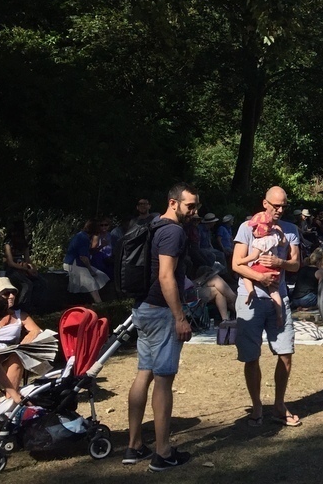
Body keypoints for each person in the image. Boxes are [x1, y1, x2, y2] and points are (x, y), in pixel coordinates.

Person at [124, 182, 197, 471]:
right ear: (173, 203)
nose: (194, 210)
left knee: (145, 372)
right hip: (161, 311)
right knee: (164, 379)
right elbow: (167, 276)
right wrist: (179, 316)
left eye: (196, 205)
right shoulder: (173, 232)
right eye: (190, 205)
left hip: (142, 308)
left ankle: (133, 446)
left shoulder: (153, 225)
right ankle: (163, 452)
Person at [232, 185, 302, 429]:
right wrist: (258, 278)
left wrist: (279, 262)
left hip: (278, 297)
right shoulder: (247, 227)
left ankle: (279, 405)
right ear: (265, 203)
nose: (280, 210)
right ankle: (257, 406)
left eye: (283, 205)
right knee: (251, 356)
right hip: (250, 298)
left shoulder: (290, 230)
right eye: (276, 205)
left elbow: (295, 265)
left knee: (286, 352)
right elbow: (236, 264)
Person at [0, 283, 49, 412]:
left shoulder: (20, 315)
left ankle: (6, 403)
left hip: (6, 353)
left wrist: (16, 397)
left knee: (15, 358)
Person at [238, 211, 287, 326]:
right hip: (274, 270)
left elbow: (254, 256)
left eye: (255, 228)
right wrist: (280, 231)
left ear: (261, 229)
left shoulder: (260, 241)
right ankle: (279, 315)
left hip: (261, 267)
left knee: (246, 274)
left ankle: (250, 291)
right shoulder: (274, 237)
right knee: (275, 292)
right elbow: (284, 243)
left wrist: (241, 261)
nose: (253, 230)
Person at [63, 218, 110, 304]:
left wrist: (101, 246)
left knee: (101, 276)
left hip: (80, 264)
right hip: (74, 264)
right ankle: (99, 303)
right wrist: (90, 270)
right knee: (91, 282)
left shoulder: (84, 236)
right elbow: (83, 257)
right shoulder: (83, 238)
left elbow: (89, 252)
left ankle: (98, 301)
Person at [2, 220, 38, 312]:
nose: (27, 230)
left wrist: (32, 268)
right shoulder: (8, 243)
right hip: (12, 269)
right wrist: (24, 268)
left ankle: (36, 306)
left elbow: (27, 259)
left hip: (23, 268)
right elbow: (10, 262)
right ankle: (21, 309)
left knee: (41, 282)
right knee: (27, 284)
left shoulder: (24, 243)